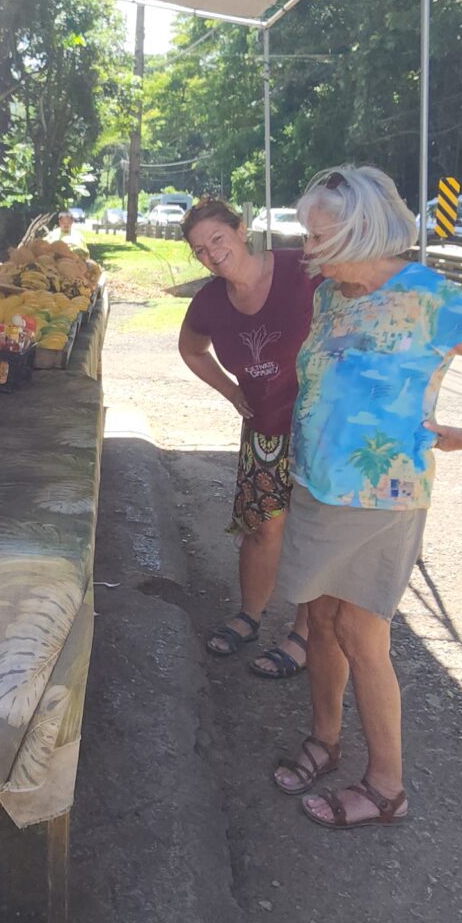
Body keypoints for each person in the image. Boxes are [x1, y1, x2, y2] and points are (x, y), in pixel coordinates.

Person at [270, 165, 462, 829]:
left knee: (360, 632)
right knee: (319, 623)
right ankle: (325, 739)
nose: (306, 248)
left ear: (361, 232)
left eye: (318, 236)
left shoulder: (427, 296)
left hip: (381, 495)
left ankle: (386, 786)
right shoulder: (331, 295)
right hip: (317, 484)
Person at [179, 198, 319, 678]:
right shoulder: (209, 302)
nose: (212, 254)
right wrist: (231, 390)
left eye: (217, 239)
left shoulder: (303, 270)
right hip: (264, 429)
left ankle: (305, 634)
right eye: (200, 250)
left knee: (314, 531)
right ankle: (250, 615)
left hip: (320, 426)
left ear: (242, 230)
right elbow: (191, 350)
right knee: (263, 527)